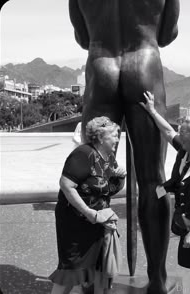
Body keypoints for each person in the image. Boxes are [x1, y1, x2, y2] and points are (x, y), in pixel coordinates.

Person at [69, 2, 180, 293]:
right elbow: (167, 34)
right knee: (154, 181)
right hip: (144, 65)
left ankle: (93, 279)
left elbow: (82, 38)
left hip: (100, 66)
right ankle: (157, 279)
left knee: (92, 179)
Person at [140, 91, 190, 294]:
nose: (179, 133)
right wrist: (152, 111)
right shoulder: (186, 152)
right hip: (189, 219)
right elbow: (167, 132)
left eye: (183, 131)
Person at [49, 116, 126, 294]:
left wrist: (120, 177)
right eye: (114, 135)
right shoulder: (84, 153)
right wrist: (88, 212)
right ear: (100, 137)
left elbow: (107, 190)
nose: (117, 139)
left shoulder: (108, 157)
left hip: (97, 221)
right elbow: (66, 185)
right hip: (75, 222)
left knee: (95, 268)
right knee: (71, 270)